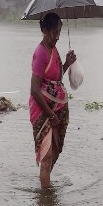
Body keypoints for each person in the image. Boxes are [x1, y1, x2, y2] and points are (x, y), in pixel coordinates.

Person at [29, 13, 76, 189]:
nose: (56, 37)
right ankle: (46, 203)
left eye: (59, 33)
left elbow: (56, 80)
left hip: (57, 110)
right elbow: (34, 89)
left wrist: (67, 63)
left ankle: (45, 185)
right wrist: (50, 115)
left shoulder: (54, 50)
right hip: (43, 111)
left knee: (55, 151)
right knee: (47, 157)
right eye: (53, 33)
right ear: (44, 30)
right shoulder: (41, 53)